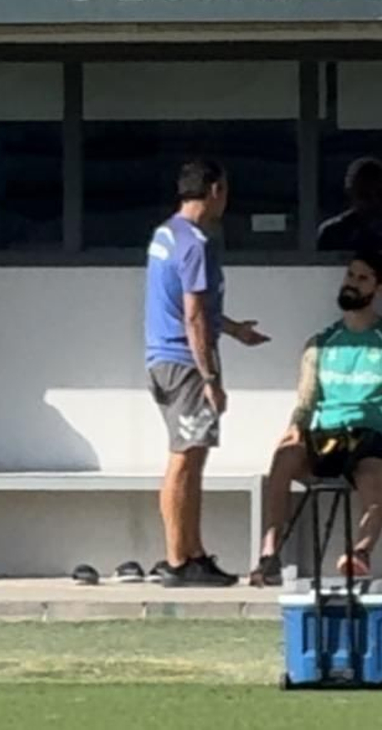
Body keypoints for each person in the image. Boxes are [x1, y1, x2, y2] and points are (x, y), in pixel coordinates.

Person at [249, 249, 382, 587]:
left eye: (362, 278)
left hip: (372, 437)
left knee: (370, 477)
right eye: (350, 275)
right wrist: (293, 430)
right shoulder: (319, 345)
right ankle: (269, 555)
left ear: (379, 288)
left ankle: (361, 553)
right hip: (330, 436)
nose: (352, 284)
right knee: (284, 458)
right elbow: (305, 403)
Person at [144, 159, 271, 588]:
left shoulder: (166, 233)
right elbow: (194, 316)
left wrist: (235, 330)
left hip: (164, 360)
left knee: (192, 457)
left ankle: (193, 553)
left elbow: (195, 309)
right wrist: (212, 380)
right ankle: (178, 560)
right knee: (184, 459)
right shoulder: (195, 243)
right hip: (184, 365)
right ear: (215, 190)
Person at [317, 156, 382, 252]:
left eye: (380, 194)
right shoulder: (332, 234)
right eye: (365, 195)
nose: (374, 201)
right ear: (350, 194)